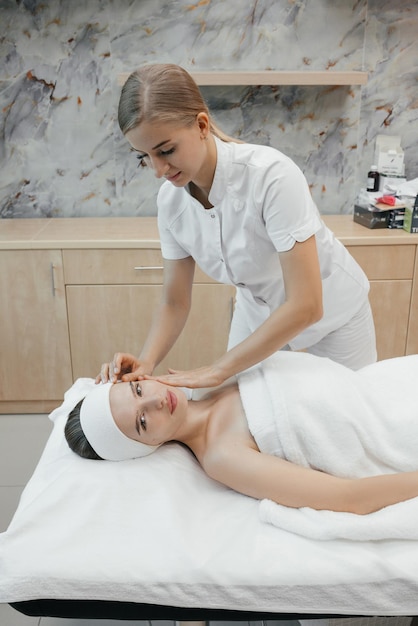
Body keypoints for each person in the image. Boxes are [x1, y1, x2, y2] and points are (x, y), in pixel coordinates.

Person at [100, 63, 376, 389]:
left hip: (334, 315)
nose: (158, 169)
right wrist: (146, 363)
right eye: (143, 156)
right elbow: (175, 301)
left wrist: (217, 369)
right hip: (258, 317)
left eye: (166, 150)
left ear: (201, 125)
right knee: (246, 416)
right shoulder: (171, 203)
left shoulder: (271, 176)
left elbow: (307, 305)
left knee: (347, 419)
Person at [67, 350, 418, 515]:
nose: (157, 403)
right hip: (397, 432)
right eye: (142, 423)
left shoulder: (207, 380)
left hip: (389, 386)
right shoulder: (221, 456)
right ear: (145, 447)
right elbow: (348, 498)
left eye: (139, 391)